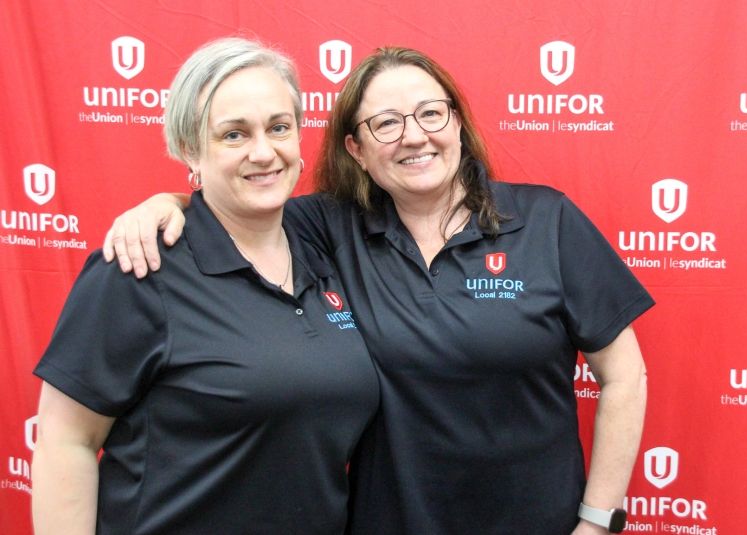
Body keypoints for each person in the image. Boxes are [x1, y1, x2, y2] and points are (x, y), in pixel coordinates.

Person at [104, 46, 654, 535]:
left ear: (456, 122)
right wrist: (163, 205)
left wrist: (598, 520)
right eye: (385, 124)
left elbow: (623, 374)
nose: (414, 135)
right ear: (357, 149)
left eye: (430, 113)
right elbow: (236, 206)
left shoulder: (545, 220)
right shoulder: (323, 228)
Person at [31, 37, 378, 535]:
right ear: (191, 148)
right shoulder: (141, 266)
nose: (264, 152)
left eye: (279, 128)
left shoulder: (325, 245)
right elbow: (67, 443)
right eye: (234, 135)